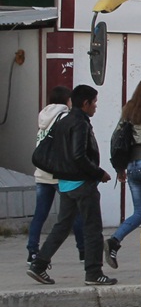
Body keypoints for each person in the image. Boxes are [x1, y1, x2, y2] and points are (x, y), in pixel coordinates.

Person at [26, 84, 116, 286]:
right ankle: (94, 273)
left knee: (62, 227)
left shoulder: (64, 122)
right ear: (85, 104)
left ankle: (38, 265)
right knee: (92, 228)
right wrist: (98, 173)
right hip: (82, 184)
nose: (95, 107)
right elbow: (78, 156)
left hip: (65, 183)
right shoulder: (80, 123)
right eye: (94, 103)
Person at [26, 86, 84, 268]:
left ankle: (32, 251)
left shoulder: (43, 118)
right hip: (59, 174)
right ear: (67, 100)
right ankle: (83, 251)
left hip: (42, 173)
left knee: (40, 215)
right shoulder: (65, 117)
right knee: (74, 213)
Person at [104, 75, 141, 270]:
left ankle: (114, 241)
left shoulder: (130, 109)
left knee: (140, 212)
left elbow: (116, 138)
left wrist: (119, 168)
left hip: (133, 167)